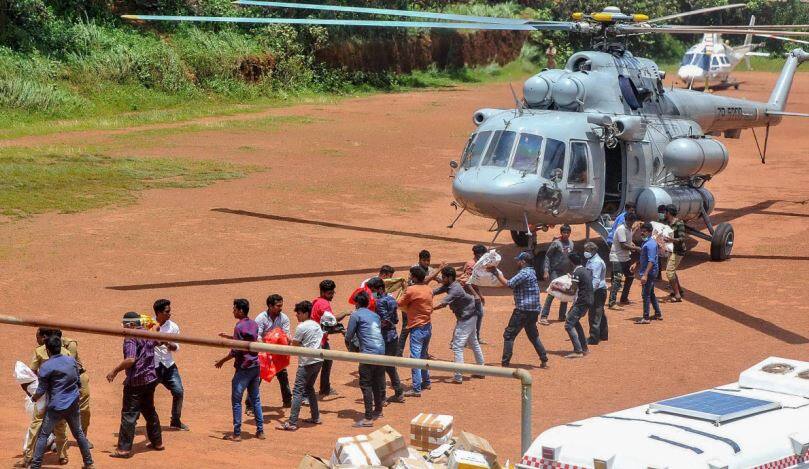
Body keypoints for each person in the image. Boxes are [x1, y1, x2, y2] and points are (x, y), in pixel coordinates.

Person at [22, 328, 91, 466]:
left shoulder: (46, 367)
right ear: (60, 347)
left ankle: (35, 465)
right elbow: (78, 381)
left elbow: (41, 389)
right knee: (78, 434)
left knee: (43, 435)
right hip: (72, 405)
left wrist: (33, 398)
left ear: (47, 350)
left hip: (55, 407)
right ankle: (89, 463)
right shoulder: (71, 361)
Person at [107, 312, 163, 458]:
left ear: (131, 325)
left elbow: (130, 359)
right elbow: (159, 339)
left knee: (129, 415)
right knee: (150, 411)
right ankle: (157, 442)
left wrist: (114, 371)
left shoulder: (130, 337)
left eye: (125, 326)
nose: (123, 329)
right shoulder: (147, 333)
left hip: (136, 382)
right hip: (150, 380)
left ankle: (124, 449)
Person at [214, 299, 265, 441]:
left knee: (236, 401)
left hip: (243, 369)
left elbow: (235, 351)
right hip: (255, 367)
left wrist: (221, 361)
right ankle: (260, 431)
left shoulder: (239, 326)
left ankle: (236, 434)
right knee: (255, 399)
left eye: (235, 309)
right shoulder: (253, 324)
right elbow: (248, 340)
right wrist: (230, 337)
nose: (233, 311)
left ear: (241, 311)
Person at [490, 252, 548, 368]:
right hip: (533, 310)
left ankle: (505, 363)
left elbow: (509, 284)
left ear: (523, 262)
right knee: (533, 335)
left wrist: (496, 273)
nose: (517, 262)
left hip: (523, 310)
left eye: (518, 260)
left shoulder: (524, 273)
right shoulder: (532, 271)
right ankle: (544, 359)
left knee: (509, 335)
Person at [276, 301, 324, 431]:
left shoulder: (301, 327)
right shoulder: (316, 325)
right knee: (309, 388)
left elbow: (295, 345)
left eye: (299, 313)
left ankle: (292, 422)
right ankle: (316, 417)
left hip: (306, 363)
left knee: (297, 391)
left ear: (305, 313)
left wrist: (288, 340)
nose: (297, 315)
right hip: (318, 361)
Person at [433, 266, 485, 383]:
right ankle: (481, 370)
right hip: (471, 315)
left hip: (467, 318)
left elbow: (443, 303)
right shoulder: (450, 284)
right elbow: (435, 291)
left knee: (457, 346)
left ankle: (458, 376)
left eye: (444, 277)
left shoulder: (455, 289)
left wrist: (429, 309)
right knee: (474, 342)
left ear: (450, 277)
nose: (442, 278)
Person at [345, 290, 387, 427]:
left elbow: (348, 336)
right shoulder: (375, 315)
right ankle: (378, 410)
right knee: (376, 382)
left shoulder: (355, 315)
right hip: (381, 352)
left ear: (356, 303)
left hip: (368, 353)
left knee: (366, 385)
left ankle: (368, 418)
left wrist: (351, 348)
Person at [398, 250, 445, 356]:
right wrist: (439, 270)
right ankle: (399, 352)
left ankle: (424, 353)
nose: (427, 263)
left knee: (424, 326)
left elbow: (442, 280)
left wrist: (456, 279)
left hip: (421, 304)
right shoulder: (415, 269)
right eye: (424, 260)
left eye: (428, 260)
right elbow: (423, 282)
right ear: (419, 260)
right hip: (409, 303)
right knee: (406, 328)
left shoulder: (431, 269)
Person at [250, 294, 292, 410]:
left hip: (278, 353)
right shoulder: (261, 318)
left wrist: (287, 341)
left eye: (281, 305)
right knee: (257, 379)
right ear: (270, 306)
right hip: (263, 353)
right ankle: (250, 405)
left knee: (283, 377)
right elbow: (257, 337)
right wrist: (266, 349)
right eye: (278, 306)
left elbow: (287, 335)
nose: (280, 308)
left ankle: (288, 401)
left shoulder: (284, 318)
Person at [366, 277, 404, 403]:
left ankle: (382, 398)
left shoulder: (380, 302)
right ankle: (398, 392)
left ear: (380, 289)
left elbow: (385, 320)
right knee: (390, 366)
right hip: (393, 336)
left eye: (373, 290)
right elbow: (396, 320)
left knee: (380, 368)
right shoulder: (392, 299)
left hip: (384, 338)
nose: (372, 293)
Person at [152, 299, 188, 431]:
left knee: (178, 392)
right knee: (144, 394)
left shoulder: (173, 327)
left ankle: (175, 420)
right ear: (159, 312)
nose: (169, 314)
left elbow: (176, 347)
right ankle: (134, 422)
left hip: (168, 365)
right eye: (167, 312)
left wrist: (166, 342)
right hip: (152, 366)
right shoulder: (149, 325)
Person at [398, 266, 434, 396]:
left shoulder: (411, 290)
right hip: (427, 326)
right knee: (423, 356)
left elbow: (399, 303)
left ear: (414, 277)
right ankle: (426, 382)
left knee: (415, 358)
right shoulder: (429, 289)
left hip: (417, 328)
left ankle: (416, 388)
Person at [310, 280, 341, 397]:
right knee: (315, 367)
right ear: (323, 292)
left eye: (333, 292)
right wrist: (345, 313)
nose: (332, 295)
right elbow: (331, 322)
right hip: (319, 341)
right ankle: (305, 393)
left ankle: (325, 388)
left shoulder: (318, 301)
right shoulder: (324, 304)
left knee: (327, 362)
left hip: (320, 338)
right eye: (329, 293)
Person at [540, 224, 575, 325]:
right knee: (552, 292)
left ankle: (561, 315)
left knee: (565, 292)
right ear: (561, 233)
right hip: (555, 271)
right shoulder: (556, 243)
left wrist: (573, 271)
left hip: (566, 272)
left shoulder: (571, 243)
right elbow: (547, 256)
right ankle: (543, 316)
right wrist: (546, 270)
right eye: (564, 232)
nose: (566, 234)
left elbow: (571, 258)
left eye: (568, 232)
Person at [564, 252, 593, 358]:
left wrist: (559, 289)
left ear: (571, 262)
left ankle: (578, 351)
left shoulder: (577, 273)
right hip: (587, 300)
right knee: (574, 322)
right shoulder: (584, 270)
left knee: (568, 324)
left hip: (581, 301)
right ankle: (584, 348)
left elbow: (572, 290)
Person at [608, 213, 639, 310]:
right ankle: (612, 302)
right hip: (617, 258)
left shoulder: (628, 229)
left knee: (630, 277)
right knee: (617, 280)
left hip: (625, 257)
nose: (631, 224)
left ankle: (624, 298)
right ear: (627, 220)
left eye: (633, 222)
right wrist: (637, 248)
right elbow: (623, 245)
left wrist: (632, 245)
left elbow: (627, 242)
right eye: (630, 222)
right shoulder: (621, 229)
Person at [459, 244, 488, 343]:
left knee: (478, 314)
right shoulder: (472, 265)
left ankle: (475, 338)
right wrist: (476, 295)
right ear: (479, 254)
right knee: (470, 317)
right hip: (468, 294)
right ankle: (468, 339)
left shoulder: (477, 263)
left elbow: (475, 282)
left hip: (473, 293)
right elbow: (467, 282)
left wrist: (480, 295)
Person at [635, 222, 664, 324]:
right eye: (641, 231)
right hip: (648, 272)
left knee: (645, 294)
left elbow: (651, 261)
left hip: (650, 273)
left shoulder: (650, 244)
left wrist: (645, 275)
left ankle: (646, 317)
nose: (642, 233)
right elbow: (644, 256)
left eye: (644, 231)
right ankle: (658, 313)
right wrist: (636, 263)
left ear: (650, 232)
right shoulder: (646, 242)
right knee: (650, 293)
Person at [584, 243, 608, 345]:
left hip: (597, 290)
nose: (585, 252)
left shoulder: (596, 262)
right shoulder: (592, 260)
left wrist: (590, 292)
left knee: (594, 314)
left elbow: (596, 280)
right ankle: (603, 334)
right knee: (600, 312)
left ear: (593, 251)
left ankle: (594, 338)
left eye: (587, 250)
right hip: (598, 290)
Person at [662, 204, 687, 302]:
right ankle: (679, 290)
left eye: (665, 212)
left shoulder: (679, 223)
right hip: (671, 250)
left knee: (669, 272)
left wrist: (671, 239)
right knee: (672, 270)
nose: (664, 214)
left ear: (669, 213)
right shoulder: (667, 222)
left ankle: (677, 295)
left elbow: (682, 238)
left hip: (678, 251)